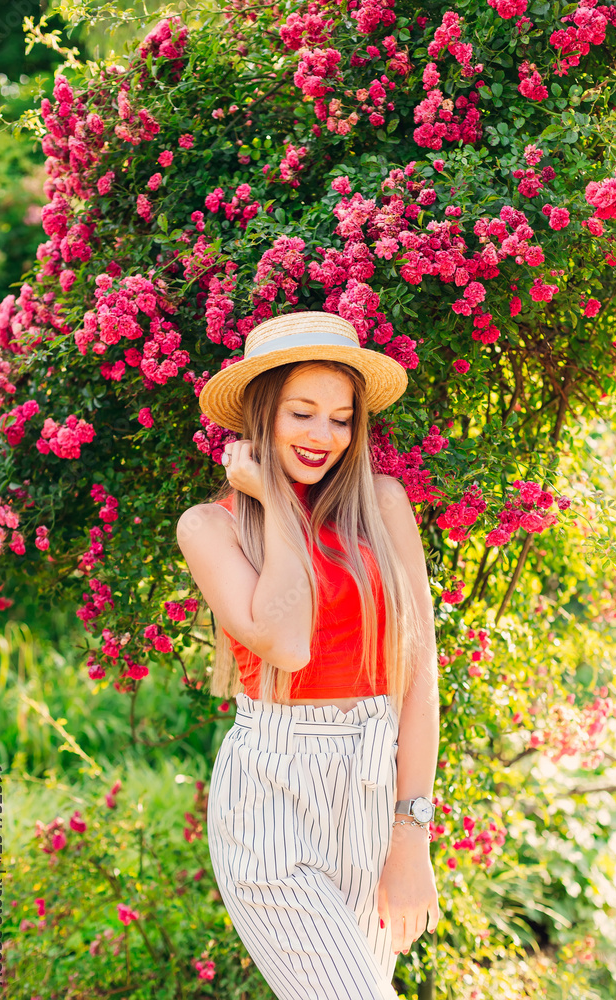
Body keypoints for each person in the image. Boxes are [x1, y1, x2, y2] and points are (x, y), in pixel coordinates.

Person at [177, 311, 440, 1000]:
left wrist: (410, 837)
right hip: (270, 795)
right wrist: (272, 504)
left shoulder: (381, 506)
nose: (323, 436)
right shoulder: (211, 527)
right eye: (302, 413)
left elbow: (419, 678)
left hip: (369, 790)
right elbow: (287, 647)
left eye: (341, 418)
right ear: (263, 416)